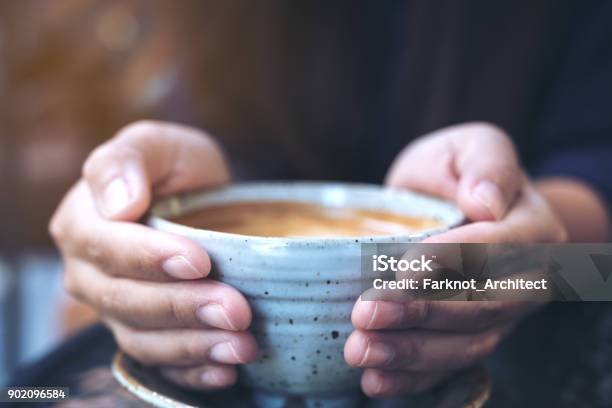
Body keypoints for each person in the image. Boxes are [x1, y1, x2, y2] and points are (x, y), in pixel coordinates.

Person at [41, 0, 612, 400]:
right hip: (200, 368)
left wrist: (542, 268)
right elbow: (210, 145)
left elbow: (596, 273)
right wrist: (113, 239)